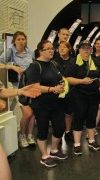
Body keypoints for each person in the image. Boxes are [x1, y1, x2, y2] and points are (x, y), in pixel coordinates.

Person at [26, 40, 68, 168]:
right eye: (48, 49)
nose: (52, 51)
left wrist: (61, 86)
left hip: (56, 103)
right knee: (43, 130)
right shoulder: (34, 66)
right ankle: (44, 156)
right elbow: (35, 86)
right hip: (41, 104)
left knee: (60, 127)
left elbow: (61, 78)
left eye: (52, 48)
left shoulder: (54, 63)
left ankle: (54, 150)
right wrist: (52, 89)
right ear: (40, 51)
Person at [65, 40, 100, 155]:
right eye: (83, 48)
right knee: (79, 118)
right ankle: (77, 144)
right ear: (79, 49)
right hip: (79, 95)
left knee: (92, 117)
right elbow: (67, 78)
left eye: (88, 48)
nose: (86, 50)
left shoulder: (96, 62)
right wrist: (81, 81)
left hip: (94, 95)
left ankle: (91, 140)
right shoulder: (74, 63)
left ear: (91, 50)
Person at [0, 31, 36, 148]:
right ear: (14, 41)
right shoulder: (10, 52)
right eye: (19, 39)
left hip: (31, 86)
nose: (21, 41)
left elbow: (35, 65)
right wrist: (11, 66)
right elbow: (0, 64)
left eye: (23, 39)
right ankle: (22, 135)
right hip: (18, 86)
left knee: (33, 113)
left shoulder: (30, 52)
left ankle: (30, 135)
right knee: (27, 113)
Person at [53, 41, 75, 142]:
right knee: (58, 112)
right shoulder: (54, 61)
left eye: (64, 47)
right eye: (60, 47)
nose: (61, 49)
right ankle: (58, 133)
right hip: (58, 90)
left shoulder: (73, 61)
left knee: (68, 112)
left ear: (69, 49)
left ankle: (67, 132)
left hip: (70, 91)